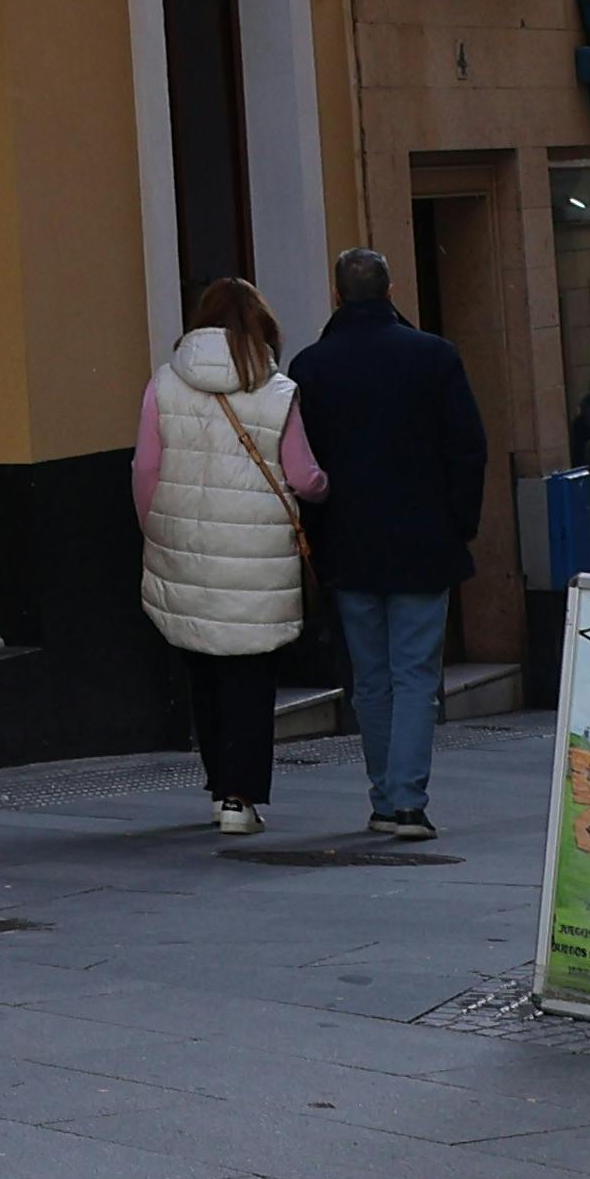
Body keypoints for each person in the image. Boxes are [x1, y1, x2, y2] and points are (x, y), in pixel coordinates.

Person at [284, 246, 492, 840]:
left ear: (337, 295)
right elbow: (468, 448)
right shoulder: (434, 356)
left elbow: (304, 461)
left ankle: (383, 797)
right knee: (417, 675)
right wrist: (459, 524)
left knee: (370, 677)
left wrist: (317, 538)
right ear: (391, 289)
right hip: (424, 540)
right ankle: (407, 801)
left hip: (348, 543)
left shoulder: (311, 366)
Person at [137, 276, 327, 836]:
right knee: (251, 677)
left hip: (186, 549)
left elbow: (145, 468)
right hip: (257, 558)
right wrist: (323, 488)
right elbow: (303, 477)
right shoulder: (280, 392)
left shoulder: (164, 384)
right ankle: (240, 800)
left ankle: (219, 784)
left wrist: (157, 528)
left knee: (203, 669)